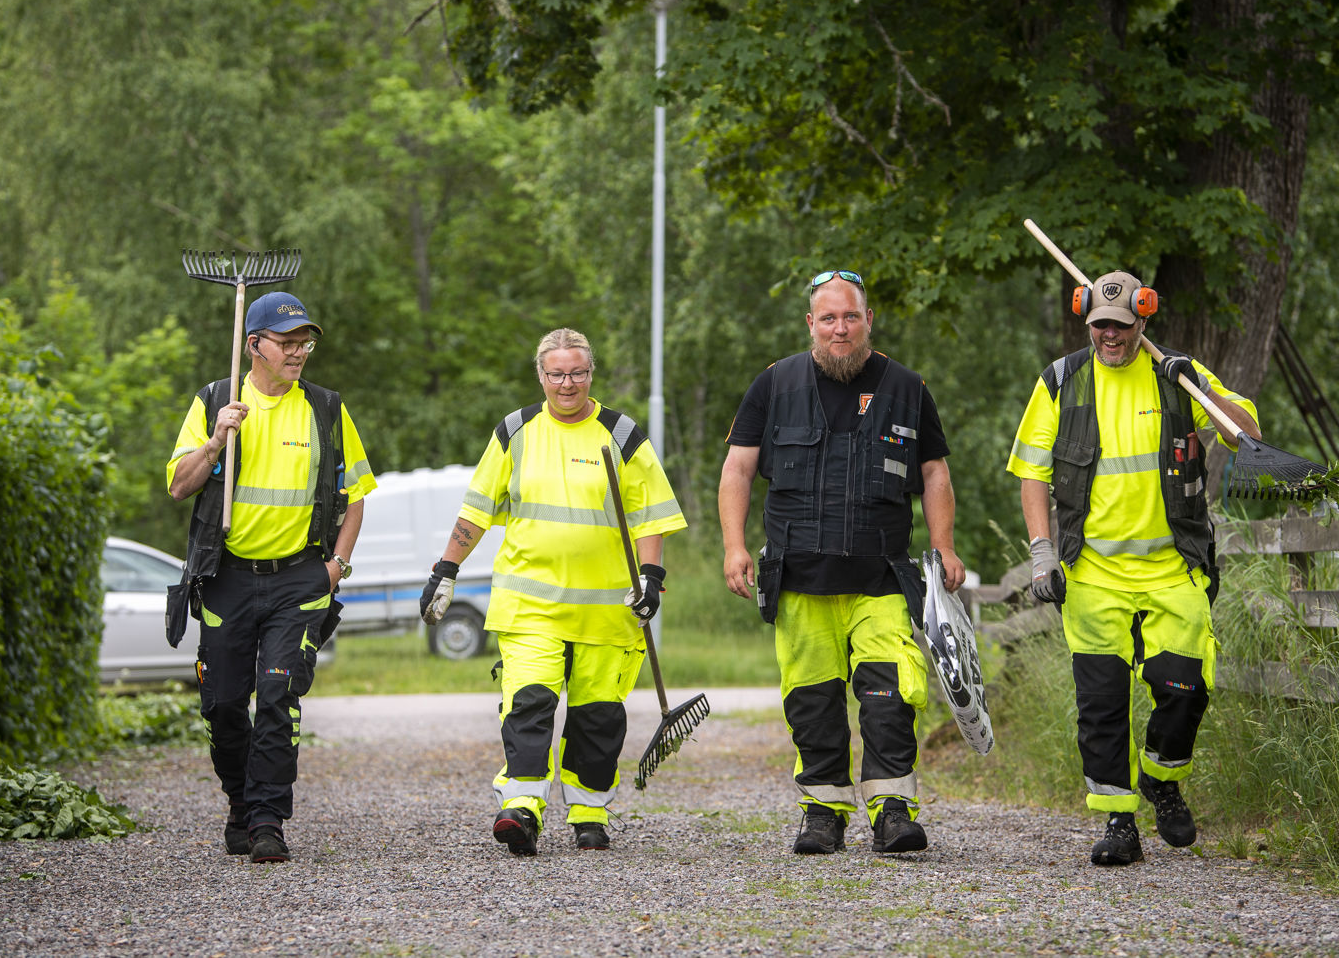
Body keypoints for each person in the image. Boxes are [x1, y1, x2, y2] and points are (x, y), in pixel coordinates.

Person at [1006, 270, 1259, 866]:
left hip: (1175, 568)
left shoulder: (1177, 377)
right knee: (1102, 704)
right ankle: (1118, 821)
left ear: (1143, 319)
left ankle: (1161, 780)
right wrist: (1042, 552)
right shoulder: (1062, 382)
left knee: (1184, 688)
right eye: (1100, 326)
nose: (1110, 337)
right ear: (1086, 323)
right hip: (1092, 572)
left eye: (1121, 326)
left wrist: (1198, 386)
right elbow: (1031, 472)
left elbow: (1245, 434)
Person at [718, 270, 966, 856]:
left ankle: (892, 811)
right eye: (828, 318)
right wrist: (733, 545)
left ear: (868, 320)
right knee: (813, 700)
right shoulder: (774, 384)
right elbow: (737, 469)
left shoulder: (907, 387)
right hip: (799, 578)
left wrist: (945, 544)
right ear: (811, 323)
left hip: (879, 578)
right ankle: (823, 813)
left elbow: (934, 472)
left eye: (850, 317)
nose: (839, 328)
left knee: (889, 693)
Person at [418, 328, 687, 856]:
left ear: (591, 374)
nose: (568, 384)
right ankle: (521, 808)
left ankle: (588, 813)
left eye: (578, 373)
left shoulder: (622, 434)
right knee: (529, 704)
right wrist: (445, 569)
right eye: (557, 374)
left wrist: (652, 579)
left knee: (598, 716)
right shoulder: (516, 431)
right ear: (541, 376)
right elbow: (476, 510)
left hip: (607, 611)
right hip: (531, 607)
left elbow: (650, 516)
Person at [166, 290, 376, 864]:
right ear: (253, 345)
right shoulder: (215, 400)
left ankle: (266, 820)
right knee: (225, 704)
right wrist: (215, 440)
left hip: (299, 581)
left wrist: (337, 566)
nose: (298, 351)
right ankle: (240, 803)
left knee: (280, 696)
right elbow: (180, 486)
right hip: (228, 579)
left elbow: (355, 498)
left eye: (304, 341)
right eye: (286, 341)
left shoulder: (326, 409)